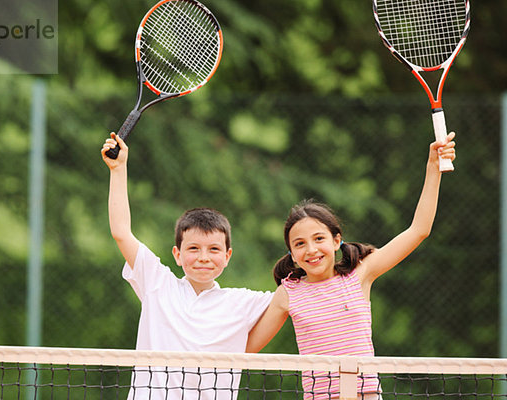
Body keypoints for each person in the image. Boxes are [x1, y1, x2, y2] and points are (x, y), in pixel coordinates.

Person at [245, 133, 457, 400]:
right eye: (299, 244)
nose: (311, 249)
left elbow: (419, 230)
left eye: (318, 239)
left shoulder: (360, 275)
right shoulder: (288, 293)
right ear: (292, 255)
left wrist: (433, 169)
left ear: (336, 241)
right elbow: (247, 347)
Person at [101, 132, 273, 400]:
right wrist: (118, 168)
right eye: (193, 248)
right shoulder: (157, 283)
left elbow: (288, 301)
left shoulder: (243, 302)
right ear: (177, 254)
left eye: (214, 249)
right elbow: (121, 232)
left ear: (227, 256)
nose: (203, 257)